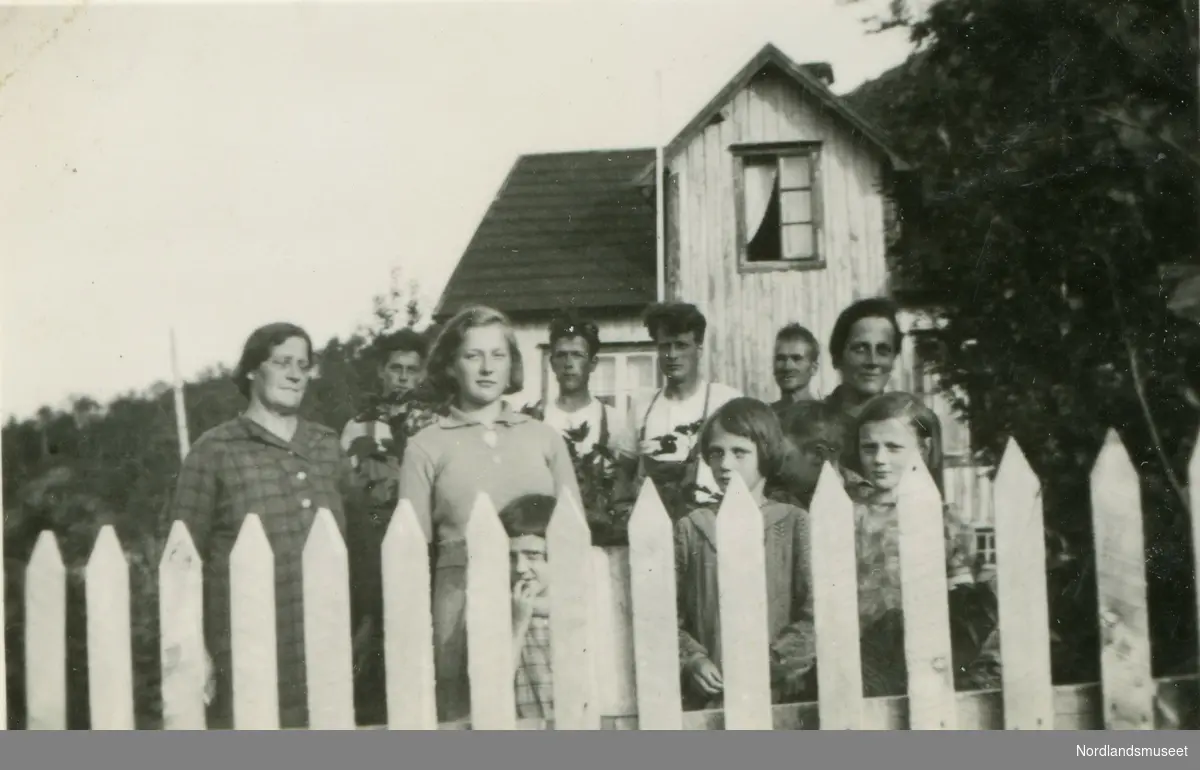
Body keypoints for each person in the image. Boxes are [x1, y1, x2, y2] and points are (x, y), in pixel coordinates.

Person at [161, 322, 366, 729]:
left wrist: (364, 626)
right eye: (282, 362)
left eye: (303, 365)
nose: (295, 374)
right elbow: (183, 559)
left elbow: (360, 544)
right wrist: (195, 647)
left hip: (325, 645)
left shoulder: (327, 447)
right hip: (245, 649)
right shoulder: (214, 451)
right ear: (253, 370)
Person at [397, 304, 582, 723]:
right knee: (469, 718)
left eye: (497, 355)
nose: (486, 368)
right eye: (472, 355)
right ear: (450, 364)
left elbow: (573, 537)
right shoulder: (427, 446)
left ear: (512, 363)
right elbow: (409, 554)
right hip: (460, 602)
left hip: (539, 606)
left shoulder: (544, 439)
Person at [843, 392, 1000, 697]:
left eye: (894, 447)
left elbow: (964, 606)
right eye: (869, 447)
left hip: (926, 662)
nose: (879, 459)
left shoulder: (945, 522)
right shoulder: (845, 516)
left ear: (924, 448)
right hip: (857, 663)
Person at [673, 398, 816, 711]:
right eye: (716, 452)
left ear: (765, 453)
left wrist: (771, 664)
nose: (725, 464)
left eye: (739, 452)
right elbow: (668, 615)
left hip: (780, 692)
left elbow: (815, 613)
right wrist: (693, 660)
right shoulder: (693, 527)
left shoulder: (792, 523)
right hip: (712, 691)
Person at [338, 328, 433, 724]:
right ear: (381, 372)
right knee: (370, 625)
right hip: (370, 536)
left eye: (412, 370)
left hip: (420, 535)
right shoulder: (357, 426)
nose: (404, 377)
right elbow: (346, 486)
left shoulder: (433, 422)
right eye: (396, 368)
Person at [522, 314, 638, 545]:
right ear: (551, 362)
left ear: (593, 363)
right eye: (561, 355)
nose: (568, 364)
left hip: (599, 536)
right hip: (546, 534)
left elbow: (622, 487)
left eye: (577, 355)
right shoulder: (534, 420)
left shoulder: (613, 421)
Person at [631, 302, 742, 520]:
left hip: (714, 522)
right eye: (665, 346)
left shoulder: (726, 400)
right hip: (654, 524)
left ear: (698, 349)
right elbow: (623, 468)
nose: (672, 355)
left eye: (681, 345)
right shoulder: (643, 406)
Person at [500, 494, 558, 721]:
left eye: (533, 556)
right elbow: (492, 687)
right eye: (511, 557)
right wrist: (518, 623)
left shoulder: (587, 608)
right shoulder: (499, 611)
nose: (521, 568)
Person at [776, 400, 852, 509]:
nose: (777, 468)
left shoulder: (861, 500)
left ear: (818, 456)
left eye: (785, 457)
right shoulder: (774, 493)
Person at [771, 323, 820, 416]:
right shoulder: (764, 417)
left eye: (796, 358)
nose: (787, 367)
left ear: (814, 368)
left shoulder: (826, 417)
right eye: (781, 358)